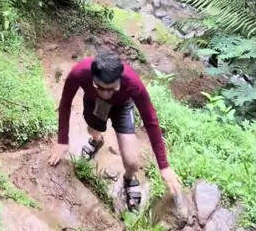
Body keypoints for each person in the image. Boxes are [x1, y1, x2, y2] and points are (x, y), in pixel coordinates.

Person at [49, 49, 181, 211]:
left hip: (122, 108)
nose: (106, 94)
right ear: (92, 77)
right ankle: (96, 140)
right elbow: (65, 103)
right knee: (93, 129)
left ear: (120, 80)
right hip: (95, 103)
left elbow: (151, 120)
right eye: (100, 87)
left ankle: (129, 178)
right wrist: (62, 140)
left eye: (111, 89)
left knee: (131, 162)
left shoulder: (133, 82)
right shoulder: (79, 72)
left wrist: (164, 166)